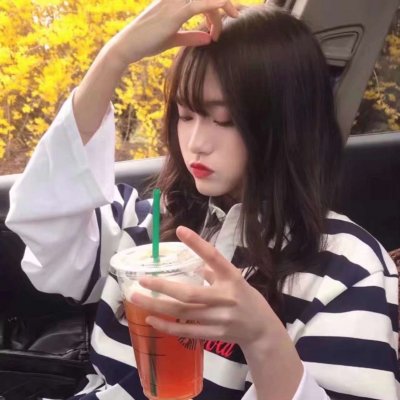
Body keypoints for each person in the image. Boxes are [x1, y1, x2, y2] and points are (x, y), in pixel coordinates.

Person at [5, 1, 399, 399]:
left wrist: (263, 339)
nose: (196, 143)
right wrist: (115, 57)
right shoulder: (152, 222)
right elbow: (43, 220)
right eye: (185, 114)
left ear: (287, 122)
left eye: (224, 120)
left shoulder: (347, 268)